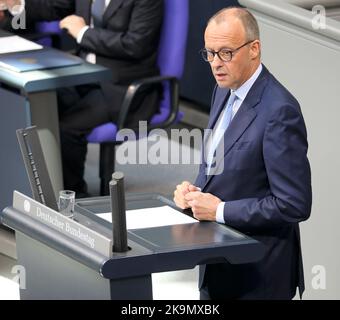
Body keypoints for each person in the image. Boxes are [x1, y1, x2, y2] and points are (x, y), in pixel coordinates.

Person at [174, 7, 312, 300]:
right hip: (219, 260)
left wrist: (220, 210)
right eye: (209, 53)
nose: (215, 64)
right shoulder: (222, 90)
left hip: (258, 275)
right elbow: (219, 163)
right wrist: (195, 192)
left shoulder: (280, 111)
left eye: (226, 53)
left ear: (254, 49)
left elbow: (293, 204)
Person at [0, 0, 163, 197]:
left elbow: (136, 45)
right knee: (36, 104)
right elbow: (55, 7)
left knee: (67, 127)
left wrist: (83, 32)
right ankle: (28, 189)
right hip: (82, 73)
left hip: (123, 85)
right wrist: (17, 5)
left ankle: (73, 199)